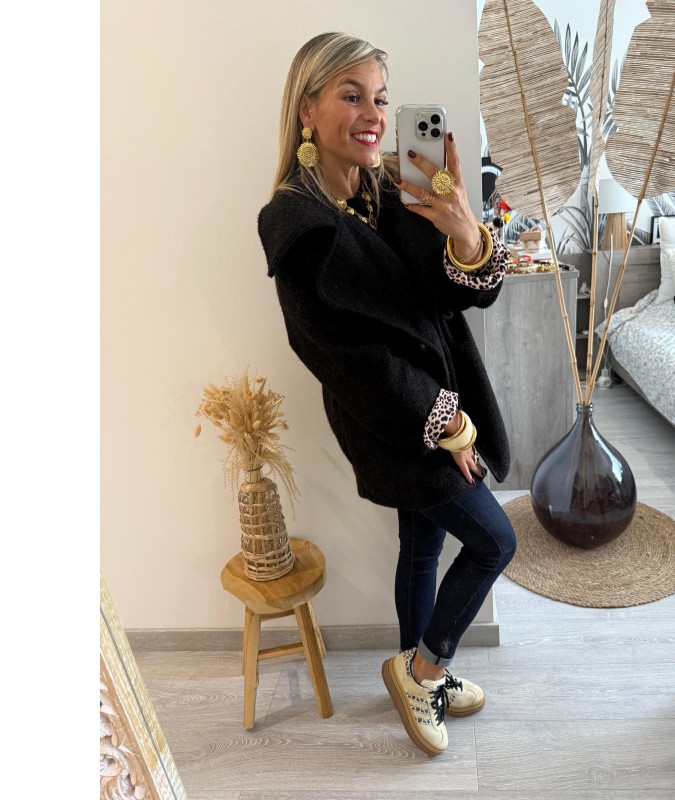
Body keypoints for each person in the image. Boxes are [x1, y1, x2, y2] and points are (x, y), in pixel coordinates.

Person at [258, 32, 516, 757]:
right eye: (352, 96)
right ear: (307, 110)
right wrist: (447, 423)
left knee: (422, 543)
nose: (373, 115)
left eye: (380, 98)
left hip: (439, 400)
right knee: (496, 541)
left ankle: (416, 672)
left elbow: (457, 295)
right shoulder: (295, 223)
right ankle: (426, 668)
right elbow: (342, 357)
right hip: (394, 418)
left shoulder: (391, 190)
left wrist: (464, 231)